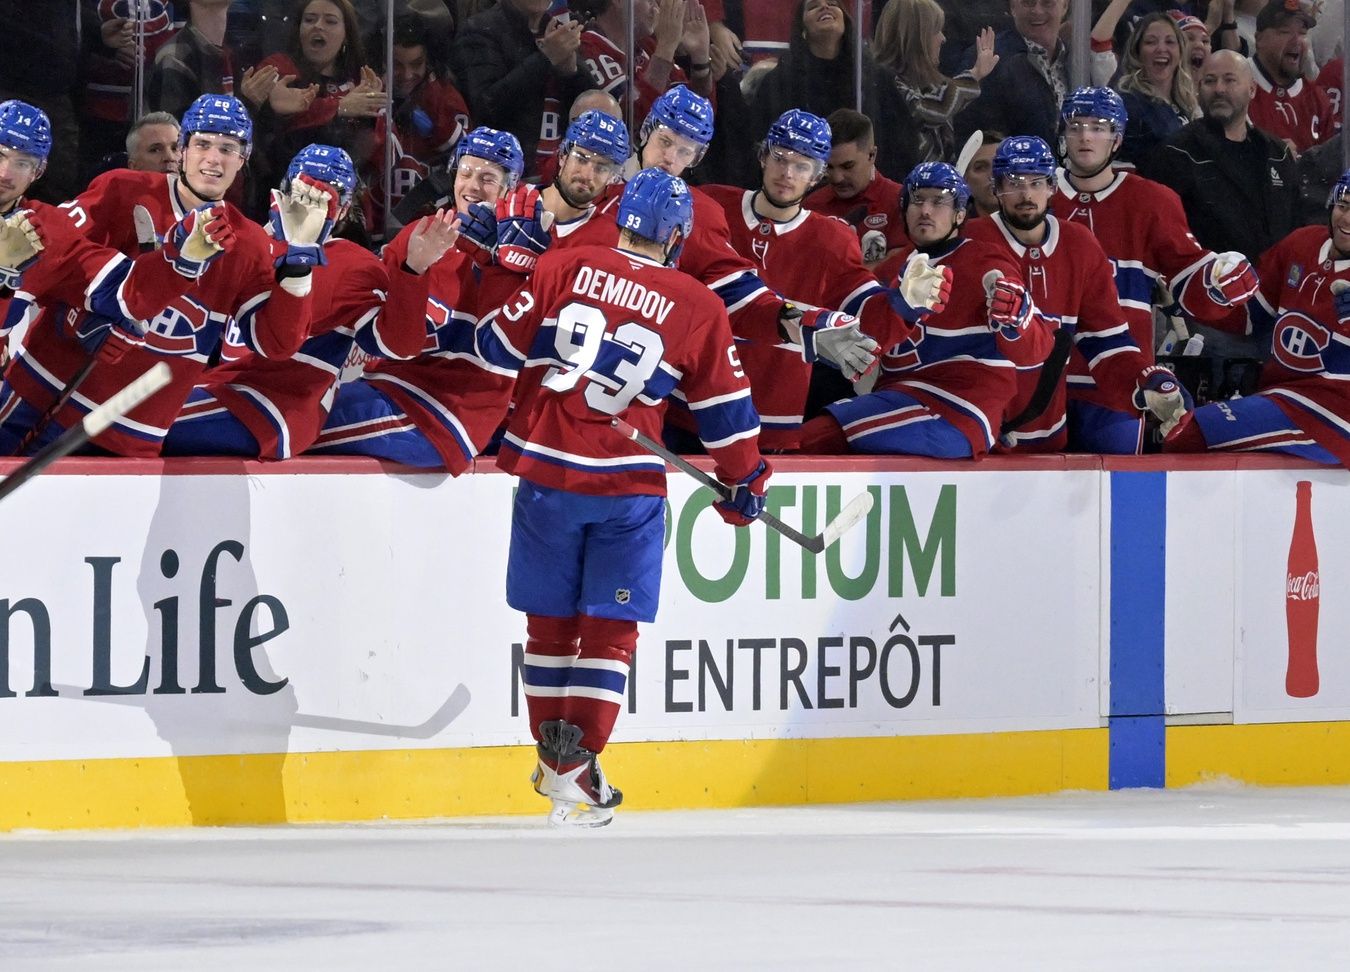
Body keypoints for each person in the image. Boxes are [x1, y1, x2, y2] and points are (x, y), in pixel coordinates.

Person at [474, 167, 770, 827]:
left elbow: (493, 344)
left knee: (549, 626)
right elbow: (725, 409)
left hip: (547, 473)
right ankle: (577, 766)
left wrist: (513, 269)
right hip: (627, 485)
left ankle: (559, 767)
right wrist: (744, 481)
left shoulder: (562, 266)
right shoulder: (697, 304)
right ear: (680, 235)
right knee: (610, 632)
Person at [0, 94, 320, 457]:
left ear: (243, 158)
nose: (213, 158)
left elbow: (275, 344)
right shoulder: (120, 190)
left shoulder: (249, 243)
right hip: (43, 392)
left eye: (228, 148)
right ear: (182, 149)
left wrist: (298, 264)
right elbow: (38, 260)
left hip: (133, 431)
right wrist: (79, 320)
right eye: (202, 144)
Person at [164, 144, 456, 459]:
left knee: (132, 423)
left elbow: (398, 345)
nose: (306, 209)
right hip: (223, 389)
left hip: (274, 409)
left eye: (321, 202)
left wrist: (413, 269)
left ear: (343, 211)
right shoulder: (251, 242)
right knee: (122, 409)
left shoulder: (352, 264)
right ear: (283, 192)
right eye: (301, 194)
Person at [700, 109, 952, 449]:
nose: (787, 173)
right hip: (688, 407)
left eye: (802, 165)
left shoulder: (829, 240)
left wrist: (902, 305)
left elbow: (866, 324)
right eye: (780, 158)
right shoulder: (710, 205)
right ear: (763, 156)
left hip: (768, 419)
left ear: (817, 175)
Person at [310, 127, 530, 470]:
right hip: (385, 389)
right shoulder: (422, 231)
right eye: (466, 172)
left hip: (441, 419)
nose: (472, 186)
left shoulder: (518, 255)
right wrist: (413, 268)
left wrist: (505, 267)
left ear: (509, 188)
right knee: (300, 402)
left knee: (300, 420)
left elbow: (513, 349)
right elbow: (388, 341)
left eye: (488, 177)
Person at [799, 162, 1054, 458]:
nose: (926, 210)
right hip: (898, 399)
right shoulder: (890, 271)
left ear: (960, 214)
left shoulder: (985, 260)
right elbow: (862, 345)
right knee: (814, 425)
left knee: (815, 438)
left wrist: (1017, 320)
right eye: (917, 200)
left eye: (939, 201)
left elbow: (1039, 349)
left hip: (958, 411)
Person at [963, 135, 1190, 452]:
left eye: (1037, 182)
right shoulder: (968, 242)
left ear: (1052, 187)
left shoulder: (1079, 244)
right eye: (1014, 183)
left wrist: (1142, 381)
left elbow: (1106, 340)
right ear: (997, 189)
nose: (1026, 194)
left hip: (1046, 433)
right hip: (974, 432)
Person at [0, 99, 208, 394]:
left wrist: (181, 263)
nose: (6, 174)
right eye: (1, 155)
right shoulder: (114, 190)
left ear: (38, 172)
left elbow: (126, 290)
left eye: (22, 163)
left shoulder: (44, 230)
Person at [1052, 87, 1258, 364]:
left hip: (1121, 375)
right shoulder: (1036, 194)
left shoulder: (1151, 200)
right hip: (1043, 376)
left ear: (1117, 139)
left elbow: (1188, 279)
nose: (1086, 136)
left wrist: (1217, 284)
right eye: (1075, 126)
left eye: (1099, 128)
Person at [1163, 169, 1350, 465]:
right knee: (1174, 423)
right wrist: (1213, 295)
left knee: (1191, 432)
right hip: (1281, 397)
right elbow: (1250, 318)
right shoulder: (1302, 244)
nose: (1347, 219)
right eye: (1344, 206)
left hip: (1335, 419)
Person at [1143, 50, 1297, 266]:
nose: (1219, 89)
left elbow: (1295, 227)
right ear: (1198, 89)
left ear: (1252, 89)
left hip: (1272, 289)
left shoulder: (1277, 153)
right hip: (1207, 288)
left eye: (1230, 80)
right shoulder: (1176, 153)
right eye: (1209, 81)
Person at [453, 0, 593, 178]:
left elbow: (593, 108)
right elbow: (486, 108)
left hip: (560, 177)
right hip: (505, 175)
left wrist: (572, 72)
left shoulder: (559, 28)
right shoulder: (478, 31)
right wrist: (545, 59)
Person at [874, 0, 999, 164]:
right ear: (916, 37)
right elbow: (928, 111)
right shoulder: (884, 82)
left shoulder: (928, 84)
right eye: (936, 30)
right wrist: (975, 74)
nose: (943, 38)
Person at [954, 0, 1070, 147]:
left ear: (1065, 6)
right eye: (1028, 2)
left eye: (1047, 3)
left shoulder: (1078, 59)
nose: (1037, 11)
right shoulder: (986, 60)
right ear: (1012, 7)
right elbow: (972, 138)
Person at [574, 0, 715, 120]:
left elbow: (696, 118)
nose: (656, 7)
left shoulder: (647, 47)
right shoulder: (587, 48)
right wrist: (666, 47)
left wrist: (700, 60)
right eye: (649, 0)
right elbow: (632, 123)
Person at [803, 108, 907, 267]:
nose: (837, 178)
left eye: (847, 166)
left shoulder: (901, 203)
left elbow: (906, 266)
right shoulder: (811, 207)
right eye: (829, 167)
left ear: (872, 155)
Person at [147, 0, 283, 121]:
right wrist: (247, 103)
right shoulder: (175, 57)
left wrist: (271, 106)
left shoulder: (231, 52)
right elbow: (184, 138)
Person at [1113, 13, 1200, 168]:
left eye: (1170, 42)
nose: (1161, 48)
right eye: (1151, 42)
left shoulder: (1184, 102)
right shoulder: (1128, 104)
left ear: (1180, 52)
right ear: (1137, 51)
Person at [1247, 0, 1333, 153]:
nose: (1296, 40)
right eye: (1284, 31)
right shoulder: (1236, 84)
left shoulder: (1318, 99)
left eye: (1302, 33)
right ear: (1259, 39)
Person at [540, 110, 630, 235]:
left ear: (611, 177)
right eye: (581, 159)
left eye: (601, 168)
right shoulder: (512, 203)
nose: (587, 175)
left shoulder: (607, 238)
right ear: (562, 156)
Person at [962, 129, 1004, 218]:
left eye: (1000, 164)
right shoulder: (953, 229)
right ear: (965, 180)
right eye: (980, 167)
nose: (993, 174)